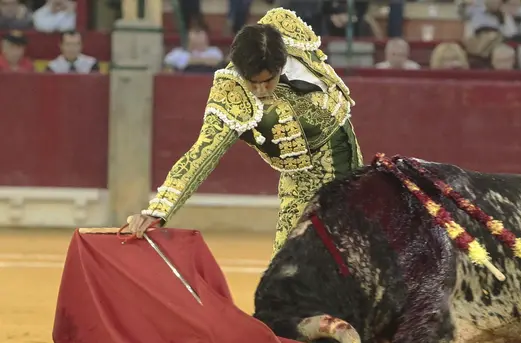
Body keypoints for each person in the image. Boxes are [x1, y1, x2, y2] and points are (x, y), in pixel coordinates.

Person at [127, 7, 363, 256]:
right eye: (253, 82)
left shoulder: (285, 27)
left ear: (280, 64)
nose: (260, 90)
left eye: (267, 81)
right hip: (305, 179)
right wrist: (158, 210)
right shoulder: (231, 95)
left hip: (348, 155)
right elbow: (201, 155)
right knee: (292, 267)